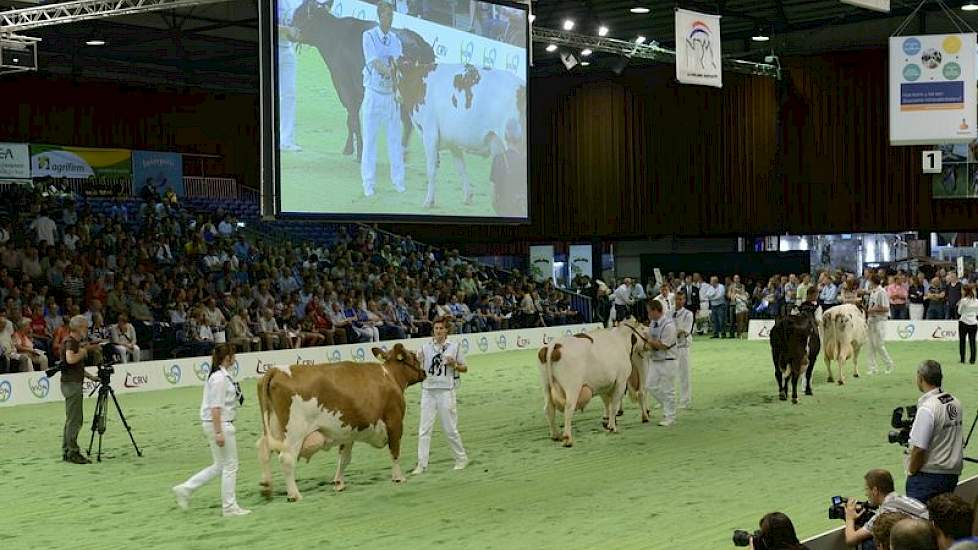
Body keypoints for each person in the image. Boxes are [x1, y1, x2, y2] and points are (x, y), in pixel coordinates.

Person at [172, 344, 250, 517]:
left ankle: (186, 489)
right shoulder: (220, 378)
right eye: (233, 354)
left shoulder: (221, 376)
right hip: (220, 423)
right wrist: (218, 432)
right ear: (228, 357)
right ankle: (229, 507)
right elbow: (215, 407)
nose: (235, 357)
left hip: (217, 422)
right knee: (230, 465)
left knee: (220, 465)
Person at [412, 316, 468, 474]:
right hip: (428, 391)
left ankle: (461, 458)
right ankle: (422, 464)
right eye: (436, 328)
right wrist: (418, 361)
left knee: (450, 428)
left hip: (446, 391)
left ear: (447, 330)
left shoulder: (454, 347)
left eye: (441, 328)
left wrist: (454, 364)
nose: (438, 331)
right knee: (424, 429)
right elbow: (417, 366)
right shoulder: (424, 347)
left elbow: (465, 368)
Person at [360, 1, 405, 198]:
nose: (390, 18)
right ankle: (368, 183)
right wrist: (390, 72)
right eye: (387, 14)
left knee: (395, 140)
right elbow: (375, 62)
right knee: (370, 141)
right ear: (380, 16)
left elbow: (397, 63)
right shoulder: (368, 36)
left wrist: (398, 84)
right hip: (373, 94)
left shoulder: (396, 39)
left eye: (392, 14)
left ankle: (398, 181)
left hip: (390, 97)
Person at [905, 360, 964, 505]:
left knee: (919, 523)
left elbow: (919, 449)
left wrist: (911, 470)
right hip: (951, 474)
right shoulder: (955, 402)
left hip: (928, 477)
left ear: (921, 378)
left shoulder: (928, 408)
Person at [844, 469, 929, 548]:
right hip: (929, 540)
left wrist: (849, 518)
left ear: (875, 490)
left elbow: (851, 539)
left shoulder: (885, 511)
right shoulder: (907, 500)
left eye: (867, 489)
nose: (866, 494)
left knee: (868, 543)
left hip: (917, 544)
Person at [61, 315, 102, 464]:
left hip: (71, 382)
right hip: (72, 384)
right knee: (75, 420)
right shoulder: (71, 342)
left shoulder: (72, 341)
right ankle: (72, 452)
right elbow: (71, 359)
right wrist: (84, 352)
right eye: (85, 327)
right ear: (78, 328)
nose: (87, 329)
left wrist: (91, 377)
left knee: (71, 419)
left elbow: (74, 365)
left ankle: (67, 450)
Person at [645, 300, 678, 427]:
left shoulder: (669, 325)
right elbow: (653, 340)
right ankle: (668, 407)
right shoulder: (653, 323)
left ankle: (670, 416)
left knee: (668, 389)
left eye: (649, 311)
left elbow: (664, 345)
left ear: (655, 311)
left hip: (668, 360)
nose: (648, 314)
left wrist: (649, 341)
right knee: (650, 385)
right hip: (655, 359)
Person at [277, 0, 302, 152]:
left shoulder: (296, 2)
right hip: (272, 48)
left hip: (288, 49)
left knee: (289, 94)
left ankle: (286, 139)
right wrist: (288, 30)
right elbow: (264, 24)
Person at [866, 274, 894, 375]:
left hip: (880, 321)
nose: (869, 282)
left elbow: (886, 308)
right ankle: (872, 368)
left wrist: (873, 309)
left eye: (870, 281)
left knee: (879, 345)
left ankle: (889, 364)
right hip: (871, 320)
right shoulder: (873, 292)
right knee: (870, 345)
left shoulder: (882, 292)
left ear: (873, 281)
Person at [672, 292, 694, 409]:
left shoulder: (688, 314)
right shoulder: (670, 313)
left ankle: (685, 400)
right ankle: (669, 399)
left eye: (680, 299)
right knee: (670, 374)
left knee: (684, 374)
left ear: (684, 300)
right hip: (671, 347)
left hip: (683, 346)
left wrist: (672, 332)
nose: (678, 301)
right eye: (677, 299)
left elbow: (685, 331)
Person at [957, 284, 977, 365]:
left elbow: (959, 312)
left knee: (962, 341)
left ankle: (962, 359)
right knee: (972, 342)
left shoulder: (963, 301)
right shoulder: (976, 301)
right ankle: (972, 360)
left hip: (964, 322)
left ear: (965, 291)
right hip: (973, 322)